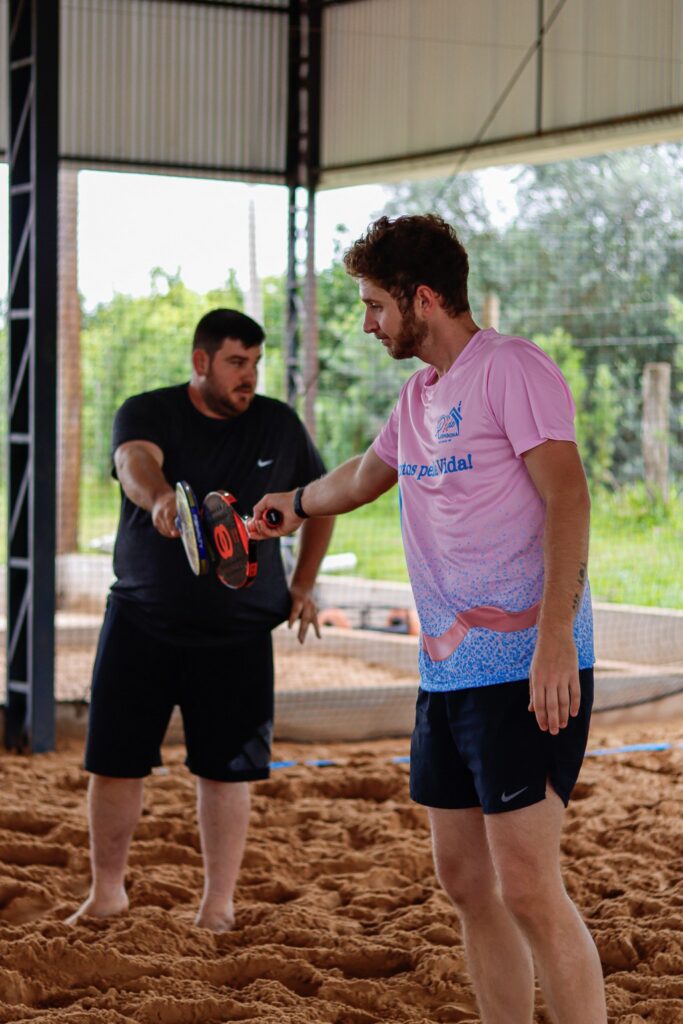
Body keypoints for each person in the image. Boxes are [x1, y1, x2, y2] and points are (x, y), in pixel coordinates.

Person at [253, 216, 606, 1023]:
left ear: (422, 298)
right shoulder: (419, 398)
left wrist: (556, 642)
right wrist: (292, 505)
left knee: (527, 886)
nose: (368, 322)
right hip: (446, 672)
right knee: (464, 881)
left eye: (375, 305)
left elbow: (569, 498)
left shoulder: (510, 368)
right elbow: (363, 475)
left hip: (526, 668)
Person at [68, 308, 333, 932]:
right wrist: (162, 499)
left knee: (226, 771)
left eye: (256, 364)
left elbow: (320, 502)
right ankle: (108, 893)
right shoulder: (147, 410)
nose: (249, 376)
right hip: (141, 620)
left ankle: (218, 906)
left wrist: (302, 584)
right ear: (201, 362)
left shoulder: (277, 424)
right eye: (237, 363)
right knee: (114, 762)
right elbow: (136, 462)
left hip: (238, 633)